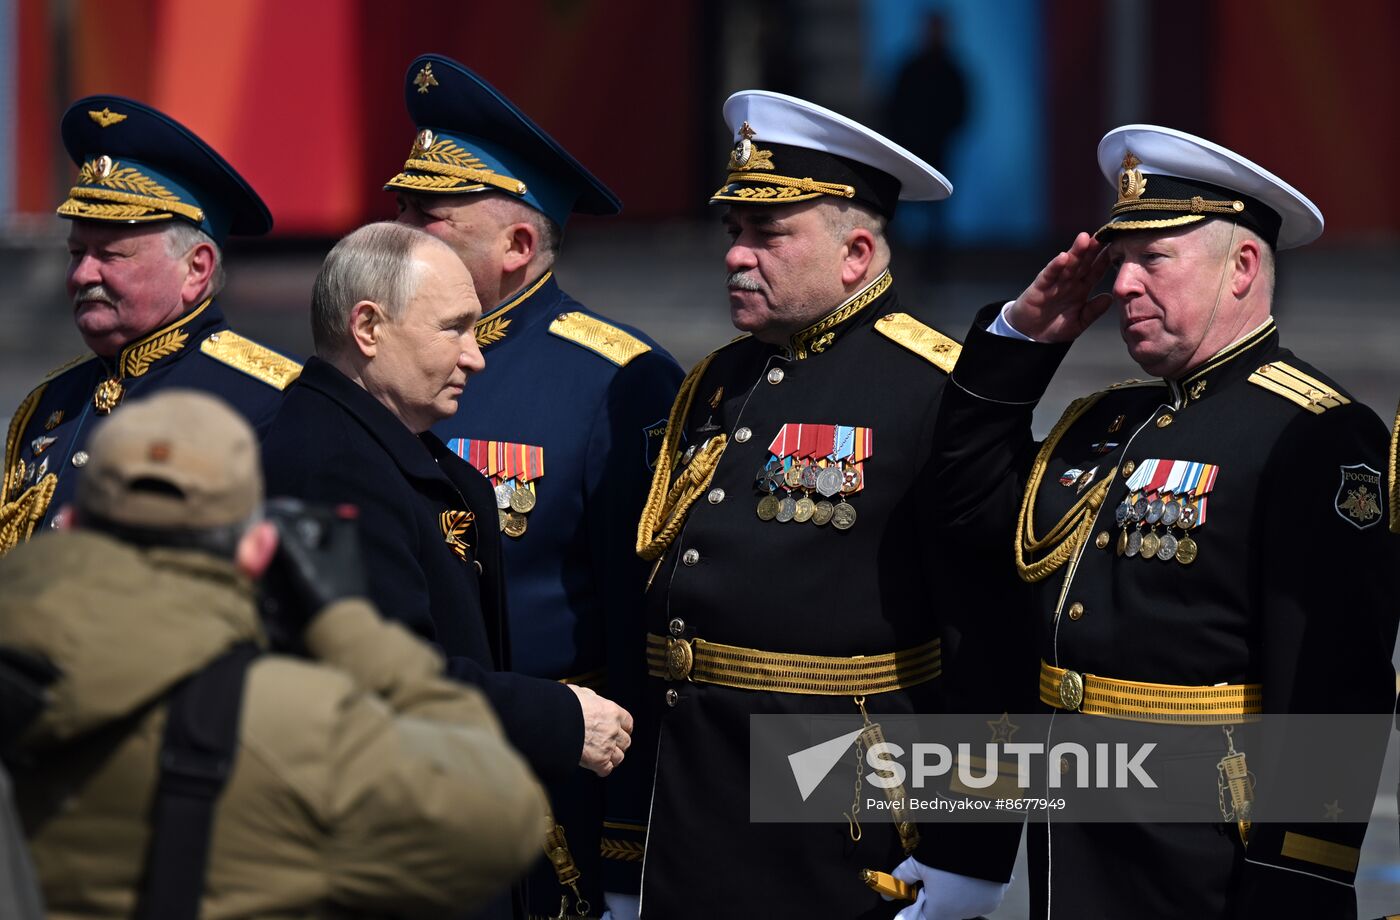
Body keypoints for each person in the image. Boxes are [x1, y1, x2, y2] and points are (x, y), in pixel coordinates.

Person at [927, 125, 1400, 917]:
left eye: (1156, 259)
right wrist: (1019, 344)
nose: (1122, 287)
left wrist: (1297, 883)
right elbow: (970, 516)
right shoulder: (1103, 421)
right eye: (1120, 262)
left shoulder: (1314, 433)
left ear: (1243, 267)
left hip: (1200, 867)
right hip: (1072, 851)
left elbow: (1333, 688)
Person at [626, 91, 1027, 920]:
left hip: (838, 819)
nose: (738, 257)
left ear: (855, 254)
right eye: (734, 233)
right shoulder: (717, 379)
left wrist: (968, 854)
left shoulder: (940, 390)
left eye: (769, 235)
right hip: (691, 805)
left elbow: (989, 645)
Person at [0, 389, 549, 917]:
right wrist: (348, 623)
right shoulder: (296, 723)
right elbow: (501, 819)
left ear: (70, 526)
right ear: (259, 548)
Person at [386, 54, 683, 914]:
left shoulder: (616, 379)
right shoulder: (372, 358)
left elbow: (641, 628)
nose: (397, 234)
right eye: (399, 208)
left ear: (518, 245)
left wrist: (626, 846)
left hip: (543, 795)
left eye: (428, 219)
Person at [0, 95, 300, 555]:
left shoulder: (274, 401)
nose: (83, 275)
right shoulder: (49, 404)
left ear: (196, 269)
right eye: (77, 253)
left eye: (111, 255)